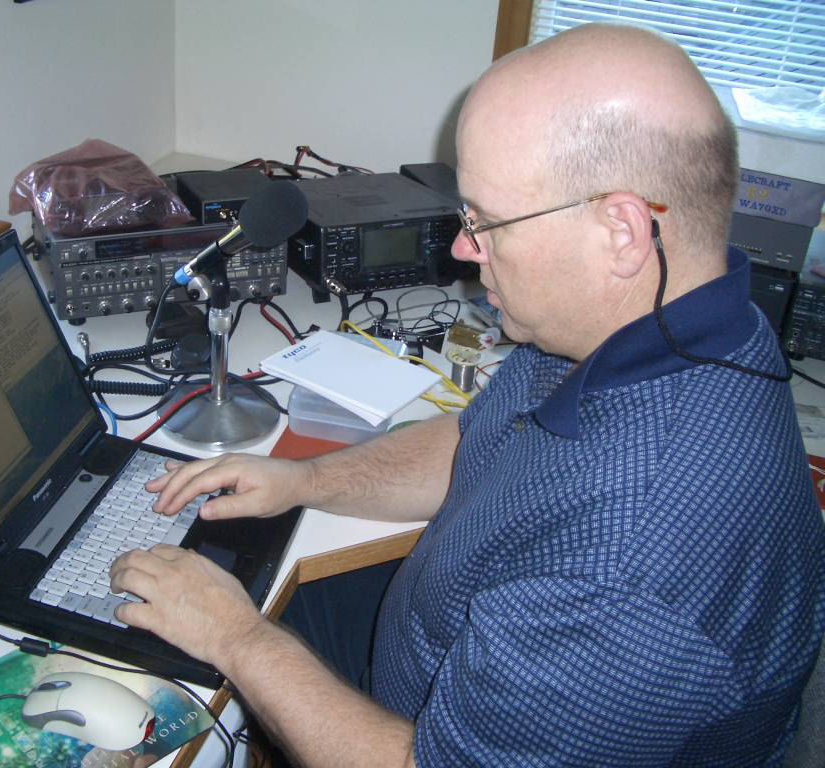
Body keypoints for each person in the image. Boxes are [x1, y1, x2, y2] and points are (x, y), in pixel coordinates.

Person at [110, 23, 825, 767]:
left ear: (620, 231)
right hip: (441, 638)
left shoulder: (629, 571)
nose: (460, 248)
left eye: (486, 222)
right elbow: (477, 438)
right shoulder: (667, 321)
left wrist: (236, 637)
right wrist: (303, 480)